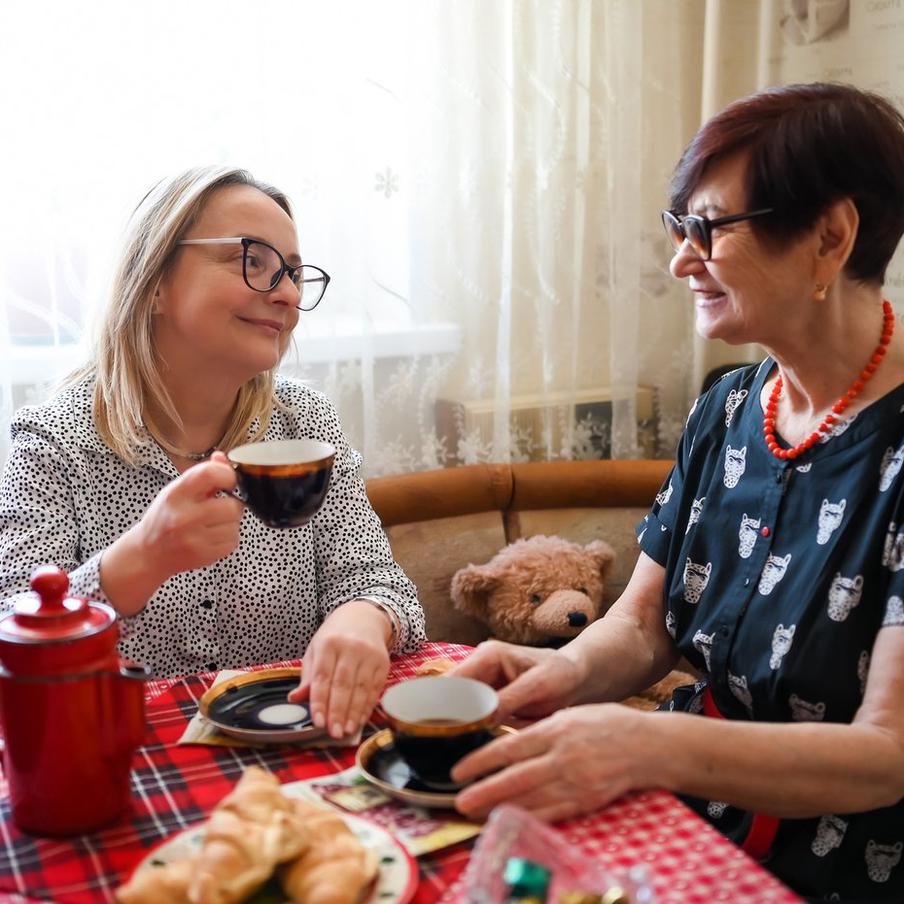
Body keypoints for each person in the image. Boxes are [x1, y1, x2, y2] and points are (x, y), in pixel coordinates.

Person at [450, 82, 904, 901]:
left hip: (838, 863)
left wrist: (644, 745)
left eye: (709, 228)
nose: (680, 259)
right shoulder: (729, 404)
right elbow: (643, 624)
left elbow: (888, 752)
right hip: (688, 807)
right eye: (679, 226)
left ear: (831, 237)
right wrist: (551, 679)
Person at [0, 167, 426, 740]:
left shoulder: (304, 425)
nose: (287, 294)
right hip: (127, 760)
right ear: (153, 283)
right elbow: (13, 641)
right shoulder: (53, 445)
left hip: (293, 751)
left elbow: (379, 582)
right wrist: (140, 559)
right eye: (252, 261)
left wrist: (364, 620)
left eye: (294, 274)